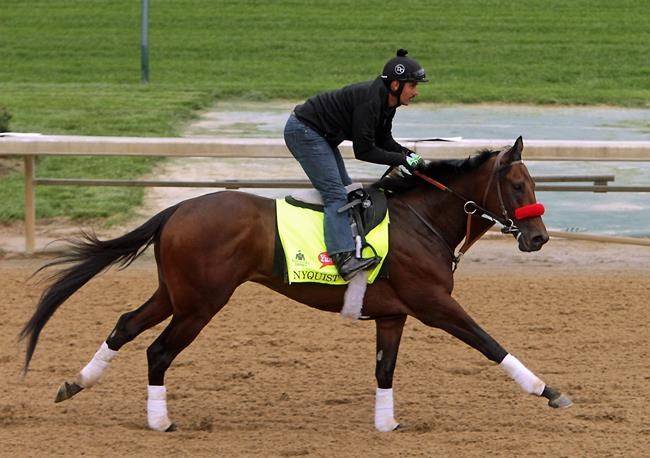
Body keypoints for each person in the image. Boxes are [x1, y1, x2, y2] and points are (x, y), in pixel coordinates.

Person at [284, 49, 428, 281]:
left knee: (349, 191)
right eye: (412, 86)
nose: (416, 92)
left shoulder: (387, 103)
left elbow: (384, 141)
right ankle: (343, 257)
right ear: (395, 85)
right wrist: (401, 160)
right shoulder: (370, 103)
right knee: (335, 195)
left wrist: (409, 155)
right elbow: (364, 150)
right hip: (304, 131)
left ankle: (347, 246)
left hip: (320, 135)